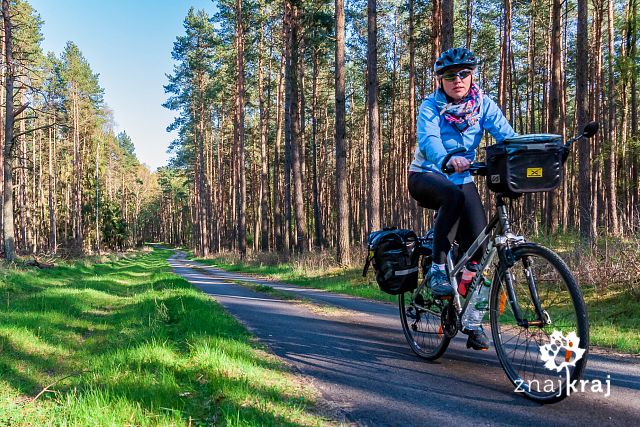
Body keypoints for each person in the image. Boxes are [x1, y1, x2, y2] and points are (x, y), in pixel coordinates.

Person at [408, 47, 516, 350]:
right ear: (441, 80)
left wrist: (537, 150)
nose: (458, 79)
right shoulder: (431, 106)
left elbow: (507, 136)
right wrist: (445, 159)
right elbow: (428, 140)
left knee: (480, 250)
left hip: (462, 176)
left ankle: (470, 318)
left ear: (472, 76)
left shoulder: (483, 105)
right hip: (426, 174)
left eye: (464, 73)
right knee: (452, 197)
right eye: (450, 75)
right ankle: (439, 268)